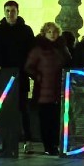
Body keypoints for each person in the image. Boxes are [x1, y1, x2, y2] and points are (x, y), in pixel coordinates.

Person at [0, 0, 35, 148]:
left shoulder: (26, 30)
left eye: (13, 11)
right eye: (8, 11)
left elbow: (32, 52)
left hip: (21, 75)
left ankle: (27, 140)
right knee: (2, 109)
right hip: (2, 76)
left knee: (23, 110)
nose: (10, 13)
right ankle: (4, 140)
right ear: (4, 12)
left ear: (17, 12)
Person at [24, 22, 70, 156]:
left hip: (59, 90)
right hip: (43, 91)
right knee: (45, 120)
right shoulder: (38, 50)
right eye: (49, 32)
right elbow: (28, 67)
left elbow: (68, 63)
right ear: (44, 33)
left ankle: (55, 144)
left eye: (54, 32)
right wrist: (37, 76)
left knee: (56, 120)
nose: (52, 34)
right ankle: (48, 146)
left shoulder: (62, 49)